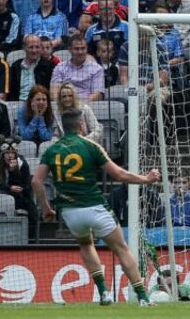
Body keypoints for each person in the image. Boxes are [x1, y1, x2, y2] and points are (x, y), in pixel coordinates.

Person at [32, 110, 160, 306]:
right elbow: (119, 175)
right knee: (121, 249)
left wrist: (46, 208)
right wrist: (146, 179)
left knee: (85, 244)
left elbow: (36, 182)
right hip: (95, 207)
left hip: (70, 212)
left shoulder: (51, 150)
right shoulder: (91, 146)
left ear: (61, 128)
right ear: (81, 124)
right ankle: (142, 297)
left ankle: (103, 293)